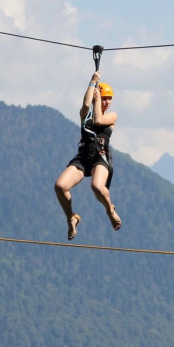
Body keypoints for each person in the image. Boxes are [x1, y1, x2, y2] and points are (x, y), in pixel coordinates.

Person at [54, 71, 122, 240]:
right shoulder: (85, 115)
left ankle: (110, 210)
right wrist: (92, 82)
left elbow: (99, 120)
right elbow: (86, 105)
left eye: (109, 99)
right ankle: (71, 217)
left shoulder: (112, 117)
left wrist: (97, 100)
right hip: (83, 156)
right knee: (60, 186)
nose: (106, 102)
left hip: (101, 157)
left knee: (97, 187)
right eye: (103, 98)